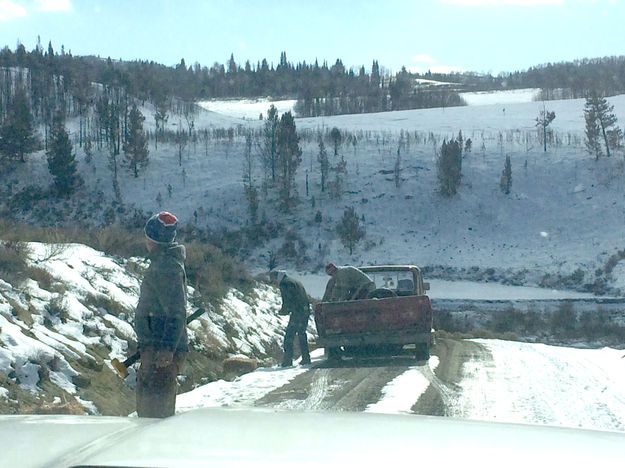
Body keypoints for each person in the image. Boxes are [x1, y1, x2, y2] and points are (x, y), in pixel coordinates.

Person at [134, 211, 188, 418]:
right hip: (155, 349)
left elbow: (177, 311)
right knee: (152, 413)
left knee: (154, 415)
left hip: (160, 354)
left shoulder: (166, 267)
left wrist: (166, 348)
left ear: (153, 239)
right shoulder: (163, 263)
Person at [270, 269, 311, 367]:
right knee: (301, 334)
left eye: (273, 280)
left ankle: (287, 361)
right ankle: (306, 358)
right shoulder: (293, 280)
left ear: (276, 277)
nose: (273, 282)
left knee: (289, 336)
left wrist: (283, 311)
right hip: (305, 310)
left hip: (297, 312)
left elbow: (287, 299)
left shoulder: (285, 283)